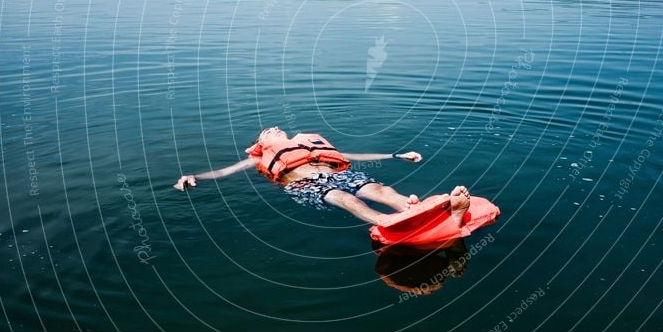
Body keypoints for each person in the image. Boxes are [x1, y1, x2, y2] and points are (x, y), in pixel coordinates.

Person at [174, 126, 471, 226]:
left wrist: (396, 155)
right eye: (267, 131)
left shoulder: (310, 142)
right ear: (261, 143)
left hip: (336, 173)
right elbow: (224, 171)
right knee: (341, 198)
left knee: (378, 188)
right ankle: (384, 220)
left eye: (276, 128)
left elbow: (352, 156)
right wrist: (193, 175)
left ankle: (414, 206)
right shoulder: (258, 158)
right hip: (305, 183)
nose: (274, 128)